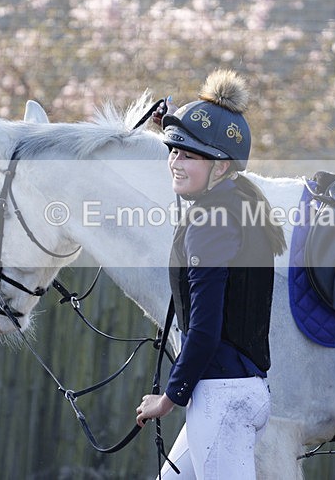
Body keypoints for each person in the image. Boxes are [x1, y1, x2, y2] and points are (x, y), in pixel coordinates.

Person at [136, 70, 286, 479]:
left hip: (222, 398)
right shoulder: (237, 203)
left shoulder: (211, 220)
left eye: (189, 155)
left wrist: (168, 398)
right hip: (239, 391)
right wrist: (172, 127)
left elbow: (204, 329)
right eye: (173, 150)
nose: (175, 162)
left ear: (220, 168)